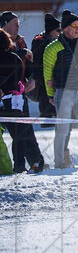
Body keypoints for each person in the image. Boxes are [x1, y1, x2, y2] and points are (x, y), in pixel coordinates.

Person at [43, 10, 78, 168]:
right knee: (63, 130)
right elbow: (47, 75)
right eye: (74, 25)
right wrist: (51, 95)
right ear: (65, 28)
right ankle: (59, 162)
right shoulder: (52, 48)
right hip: (63, 92)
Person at [0, 11, 45, 172]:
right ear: (4, 24)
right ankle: (15, 165)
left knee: (25, 130)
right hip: (5, 94)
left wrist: (32, 78)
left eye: (19, 23)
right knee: (15, 132)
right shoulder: (3, 41)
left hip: (18, 93)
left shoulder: (20, 42)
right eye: (14, 23)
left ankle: (36, 162)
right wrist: (22, 53)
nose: (18, 26)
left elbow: (29, 66)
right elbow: (9, 58)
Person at [0, 29, 25, 175]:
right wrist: (4, 88)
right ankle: (19, 165)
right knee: (18, 135)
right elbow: (17, 76)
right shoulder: (14, 58)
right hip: (13, 100)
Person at [31, 13, 61, 121]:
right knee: (45, 88)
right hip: (41, 81)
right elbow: (36, 66)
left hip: (55, 80)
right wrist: (48, 81)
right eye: (58, 30)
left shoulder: (58, 42)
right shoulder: (39, 41)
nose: (60, 33)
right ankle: (46, 116)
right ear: (50, 30)